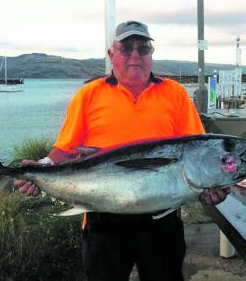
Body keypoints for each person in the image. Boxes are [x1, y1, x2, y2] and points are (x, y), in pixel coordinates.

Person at [14, 20, 229, 281]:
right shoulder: (89, 95)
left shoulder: (175, 94)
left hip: (162, 219)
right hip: (102, 218)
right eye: (126, 48)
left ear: (151, 54)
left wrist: (212, 185)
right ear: (111, 54)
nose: (135, 55)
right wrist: (41, 167)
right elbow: (65, 148)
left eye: (143, 48)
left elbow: (197, 151)